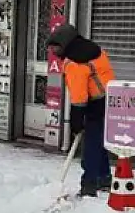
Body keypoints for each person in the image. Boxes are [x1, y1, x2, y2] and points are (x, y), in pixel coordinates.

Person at [47, 23, 115, 197]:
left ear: (64, 43)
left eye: (55, 47)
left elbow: (78, 97)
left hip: (94, 103)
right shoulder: (92, 49)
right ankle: (104, 178)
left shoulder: (74, 62)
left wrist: (76, 121)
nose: (53, 52)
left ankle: (89, 185)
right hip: (111, 97)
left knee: (91, 144)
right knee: (99, 140)